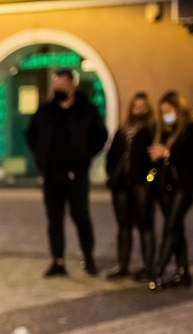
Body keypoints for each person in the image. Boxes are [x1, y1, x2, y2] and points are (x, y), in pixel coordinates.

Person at [24, 68, 107, 277]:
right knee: (54, 219)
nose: (58, 88)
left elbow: (100, 135)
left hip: (76, 174)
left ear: (73, 85)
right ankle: (58, 261)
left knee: (80, 215)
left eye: (62, 84)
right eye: (56, 85)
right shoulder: (45, 110)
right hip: (52, 175)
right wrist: (40, 155)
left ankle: (88, 258)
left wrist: (86, 156)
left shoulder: (86, 109)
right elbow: (31, 134)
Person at [146, 90, 193, 291]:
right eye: (162, 111)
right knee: (177, 229)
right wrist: (157, 155)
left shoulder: (192, 130)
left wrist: (169, 153)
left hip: (184, 186)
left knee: (170, 227)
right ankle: (183, 272)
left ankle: (157, 271)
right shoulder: (166, 131)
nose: (165, 115)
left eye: (169, 110)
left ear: (178, 109)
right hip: (165, 186)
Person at [104, 93, 155, 279]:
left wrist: (149, 181)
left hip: (141, 184)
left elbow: (154, 162)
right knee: (124, 225)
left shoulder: (151, 130)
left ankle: (149, 267)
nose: (139, 109)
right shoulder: (123, 129)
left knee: (145, 224)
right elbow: (112, 154)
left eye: (143, 106)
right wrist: (111, 173)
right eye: (136, 105)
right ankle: (122, 265)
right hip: (121, 184)